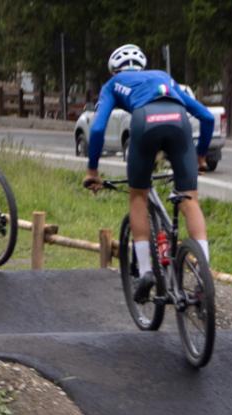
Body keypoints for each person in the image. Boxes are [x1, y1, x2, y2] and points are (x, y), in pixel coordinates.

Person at [82, 44, 214, 303]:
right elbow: (206, 117)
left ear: (113, 71)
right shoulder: (163, 77)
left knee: (138, 196)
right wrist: (200, 156)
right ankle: (203, 276)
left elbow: (97, 130)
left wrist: (92, 170)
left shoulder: (113, 84)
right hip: (179, 121)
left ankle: (144, 272)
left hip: (145, 121)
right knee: (189, 199)